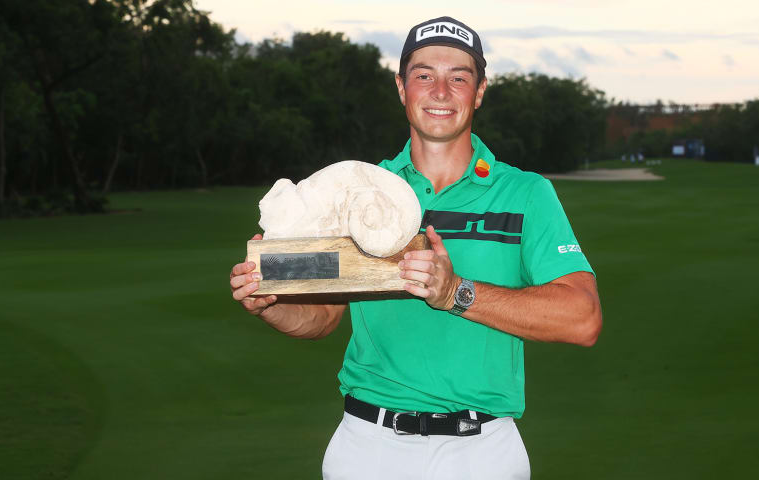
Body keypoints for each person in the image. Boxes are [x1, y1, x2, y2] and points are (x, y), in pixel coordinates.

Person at [229, 16, 601, 480]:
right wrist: (270, 304)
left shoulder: (526, 193)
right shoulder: (358, 190)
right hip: (367, 448)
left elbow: (582, 318)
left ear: (480, 90)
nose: (440, 91)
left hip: (482, 453)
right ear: (402, 88)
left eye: (458, 77)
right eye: (424, 75)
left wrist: (456, 293)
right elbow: (322, 316)